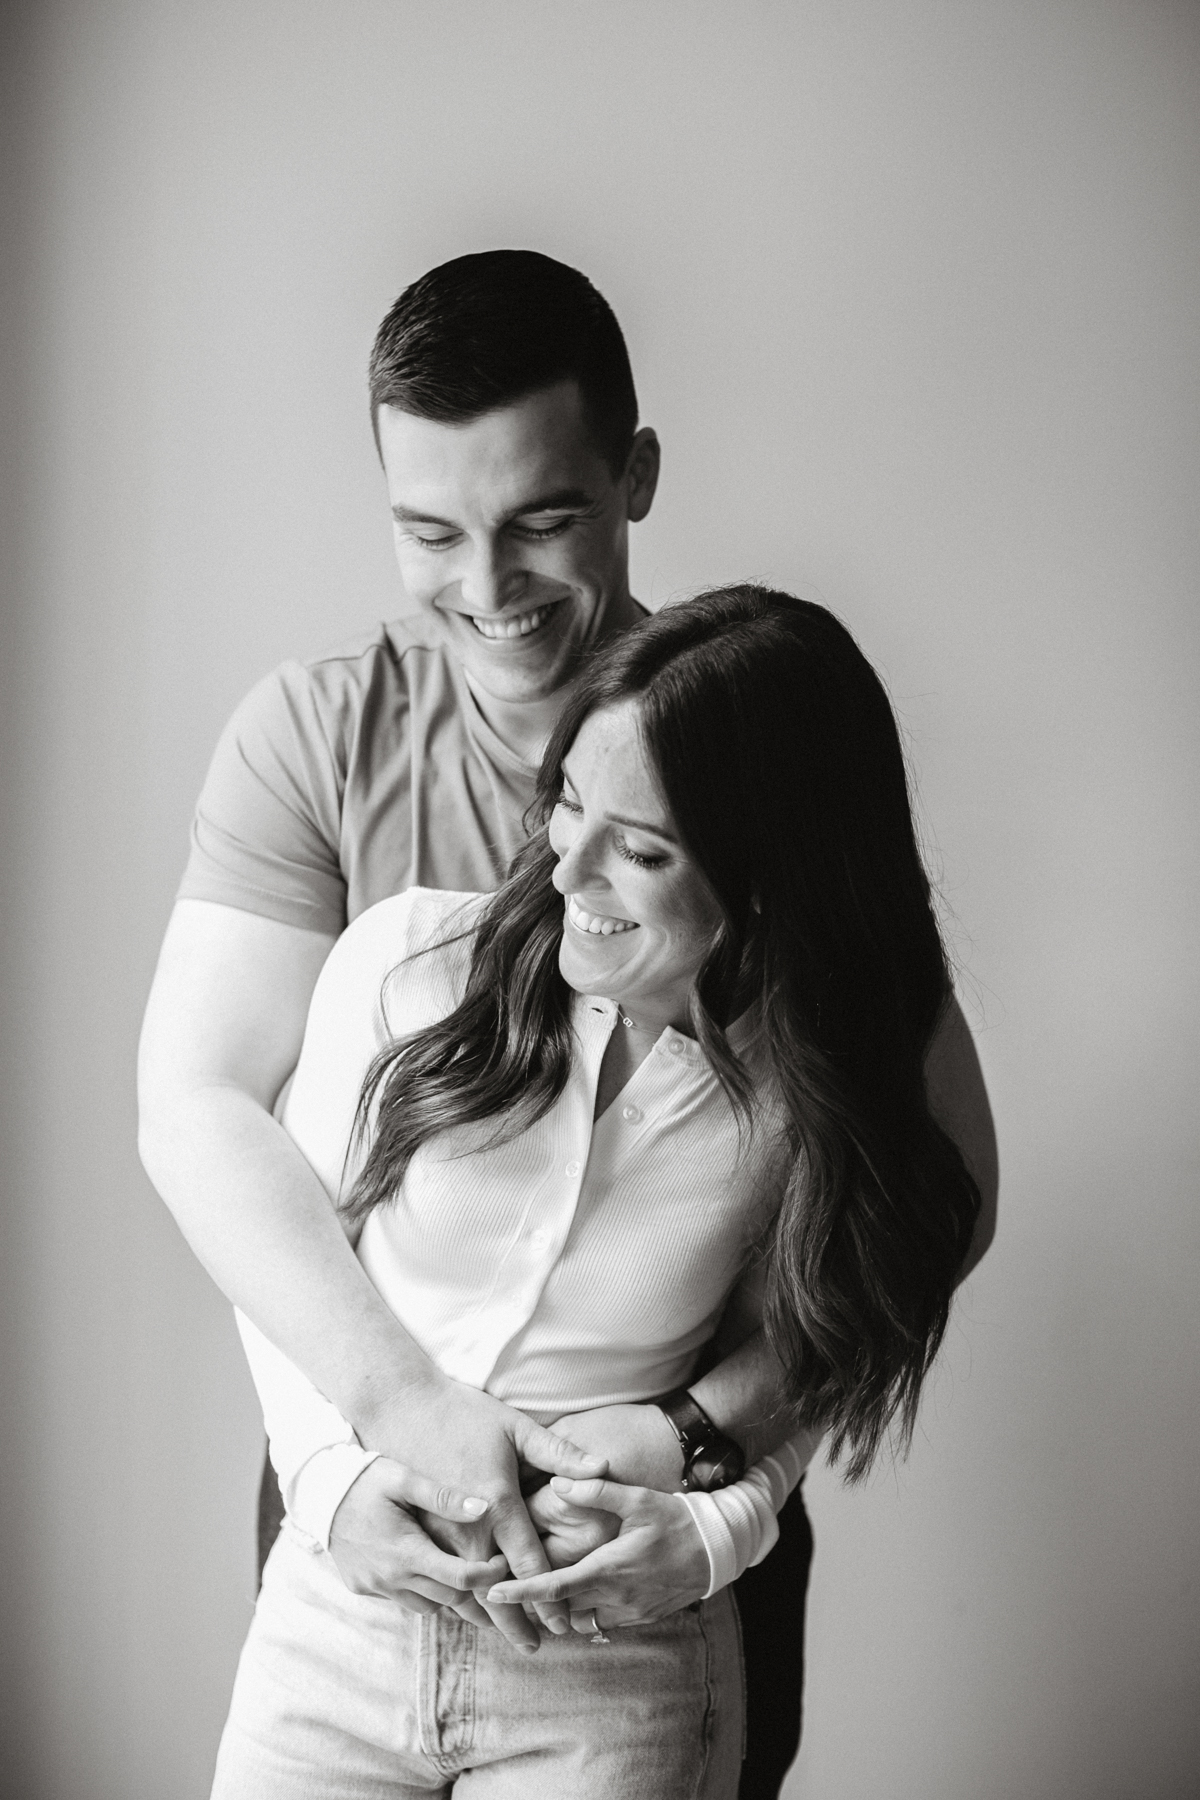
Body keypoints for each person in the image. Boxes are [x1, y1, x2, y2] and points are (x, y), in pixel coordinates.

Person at [138, 253, 997, 1798]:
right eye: (429, 531)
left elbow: (926, 1195)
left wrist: (701, 1448)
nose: (488, 586)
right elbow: (209, 1118)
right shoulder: (320, 745)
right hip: (367, 1486)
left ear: (633, 477)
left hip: (659, 1553)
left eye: (540, 518)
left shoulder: (765, 751)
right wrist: (371, 1440)